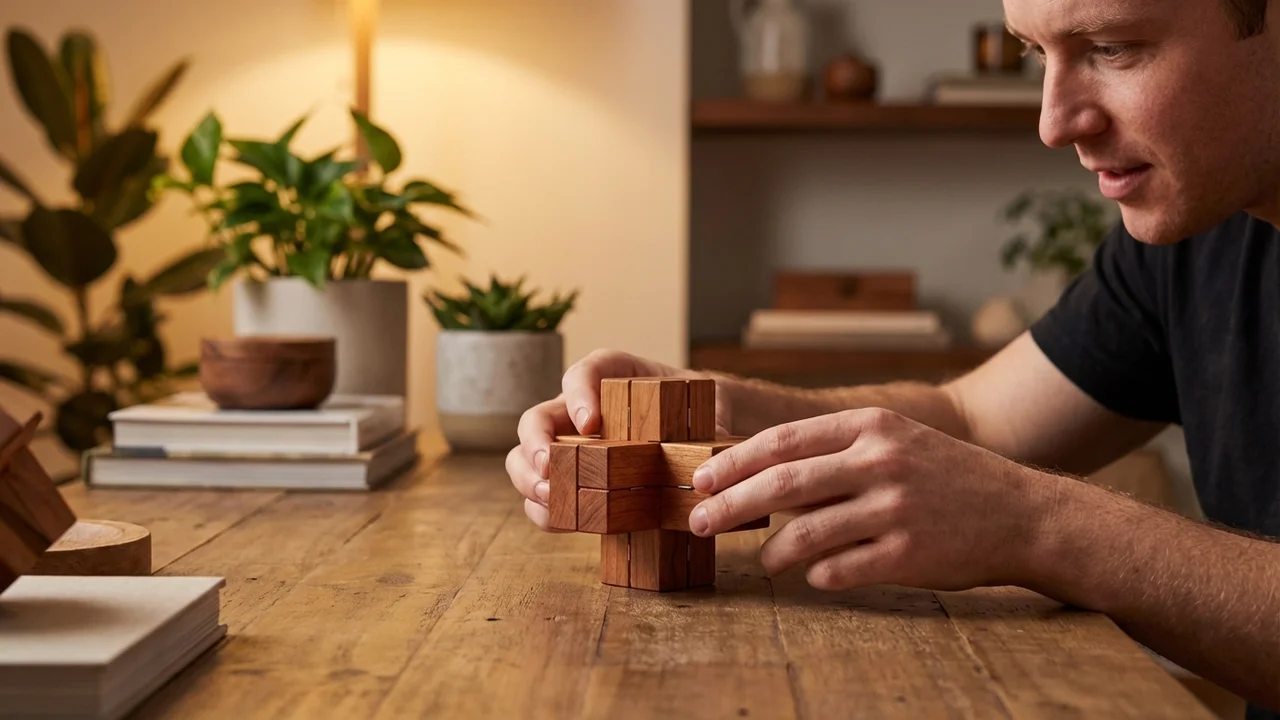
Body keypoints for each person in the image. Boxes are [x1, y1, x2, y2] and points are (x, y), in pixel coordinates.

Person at [507, 0, 1280, 715]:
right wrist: (709, 410)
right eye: (1034, 52)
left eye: (1111, 48)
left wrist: (1033, 523)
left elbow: (1001, 484)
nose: (1053, 122)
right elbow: (972, 419)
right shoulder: (1196, 235)